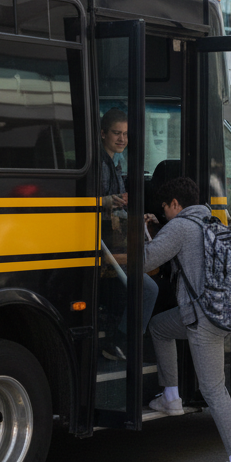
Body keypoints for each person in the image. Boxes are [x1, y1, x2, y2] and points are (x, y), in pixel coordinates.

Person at [142, 177, 231, 462]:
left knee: (213, 388)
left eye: (164, 209)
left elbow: (146, 260)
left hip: (203, 319)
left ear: (176, 205)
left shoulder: (179, 227)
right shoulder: (211, 221)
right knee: (159, 327)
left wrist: (140, 228)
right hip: (217, 310)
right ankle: (171, 395)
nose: (164, 214)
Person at [97, 108, 158, 361]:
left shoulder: (114, 162)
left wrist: (135, 216)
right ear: (102, 134)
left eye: (125, 134)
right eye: (116, 133)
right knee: (148, 289)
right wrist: (108, 202)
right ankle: (121, 343)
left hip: (113, 244)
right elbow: (89, 203)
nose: (122, 139)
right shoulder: (100, 164)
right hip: (103, 246)